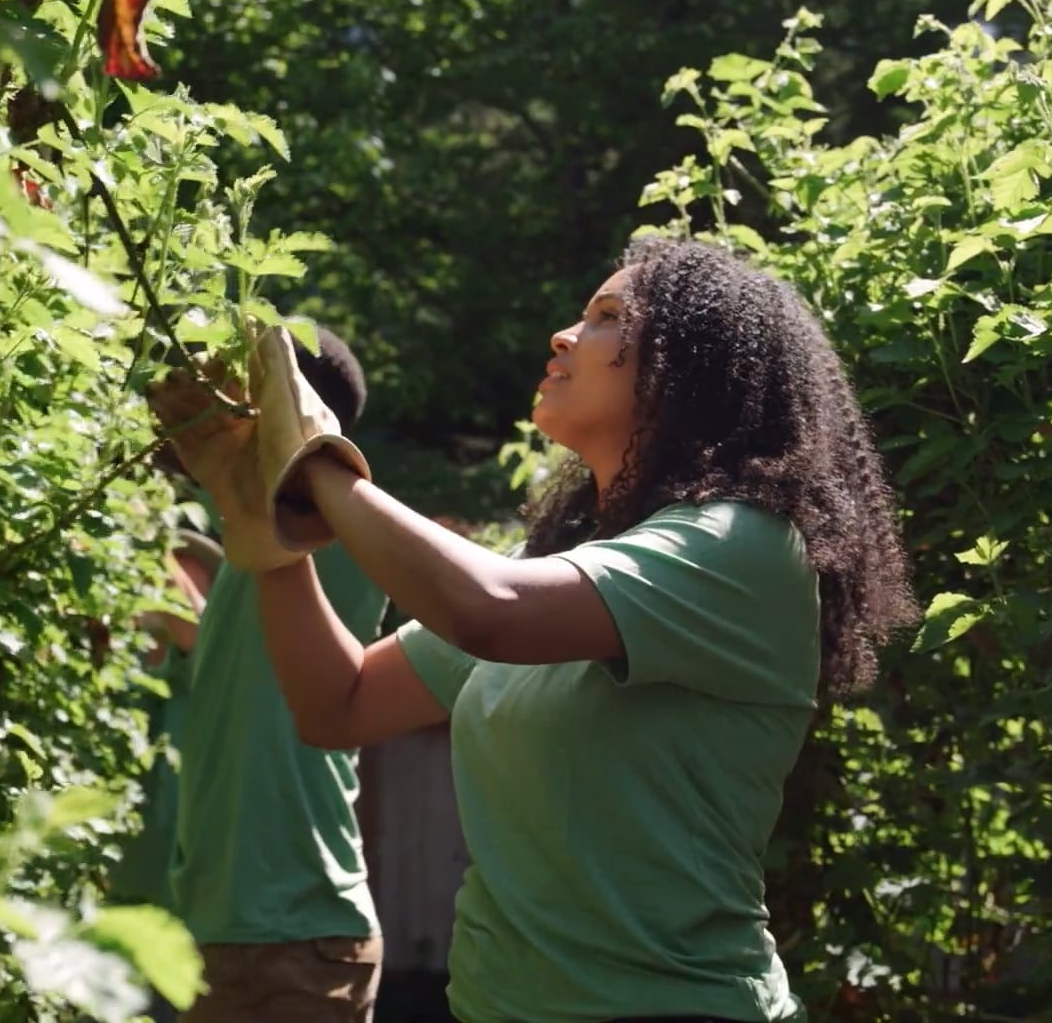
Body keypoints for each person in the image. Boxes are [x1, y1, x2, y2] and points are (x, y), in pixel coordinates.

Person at [149, 238, 920, 1023]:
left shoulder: (743, 545)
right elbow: (337, 705)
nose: (563, 336)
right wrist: (261, 529)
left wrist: (310, 459)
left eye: (607, 319)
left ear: (695, 369)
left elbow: (487, 607)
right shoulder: (560, 562)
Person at [155, 323, 390, 1023]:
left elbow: (302, 477)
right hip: (225, 931)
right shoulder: (250, 547)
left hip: (296, 932)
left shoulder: (334, 528)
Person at [108, 527, 218, 1023]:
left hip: (186, 909)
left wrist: (148, 542)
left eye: (188, 584)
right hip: (108, 897)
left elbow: (200, 633)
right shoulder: (115, 673)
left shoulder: (211, 675)